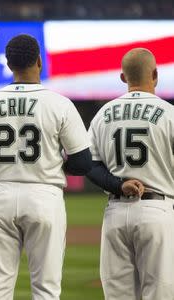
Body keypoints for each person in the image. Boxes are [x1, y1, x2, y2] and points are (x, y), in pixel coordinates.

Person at [0, 34, 92, 300]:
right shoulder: (59, 103)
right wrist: (49, 163)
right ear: (39, 61)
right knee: (46, 289)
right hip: (44, 195)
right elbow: (83, 162)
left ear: (9, 65)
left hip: (0, 196)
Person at [86, 48, 174, 299]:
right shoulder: (169, 113)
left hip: (115, 214)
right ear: (156, 74)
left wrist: (117, 184)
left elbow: (87, 164)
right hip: (158, 211)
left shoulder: (103, 114)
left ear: (123, 77)